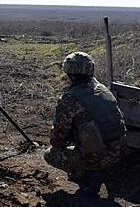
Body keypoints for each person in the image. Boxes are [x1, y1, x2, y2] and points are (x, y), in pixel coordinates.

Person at [44, 52, 127, 197]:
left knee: (50, 154)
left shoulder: (70, 99)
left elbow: (57, 139)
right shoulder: (102, 89)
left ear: (69, 74)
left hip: (99, 156)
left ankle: (87, 174)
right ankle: (96, 169)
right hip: (120, 150)